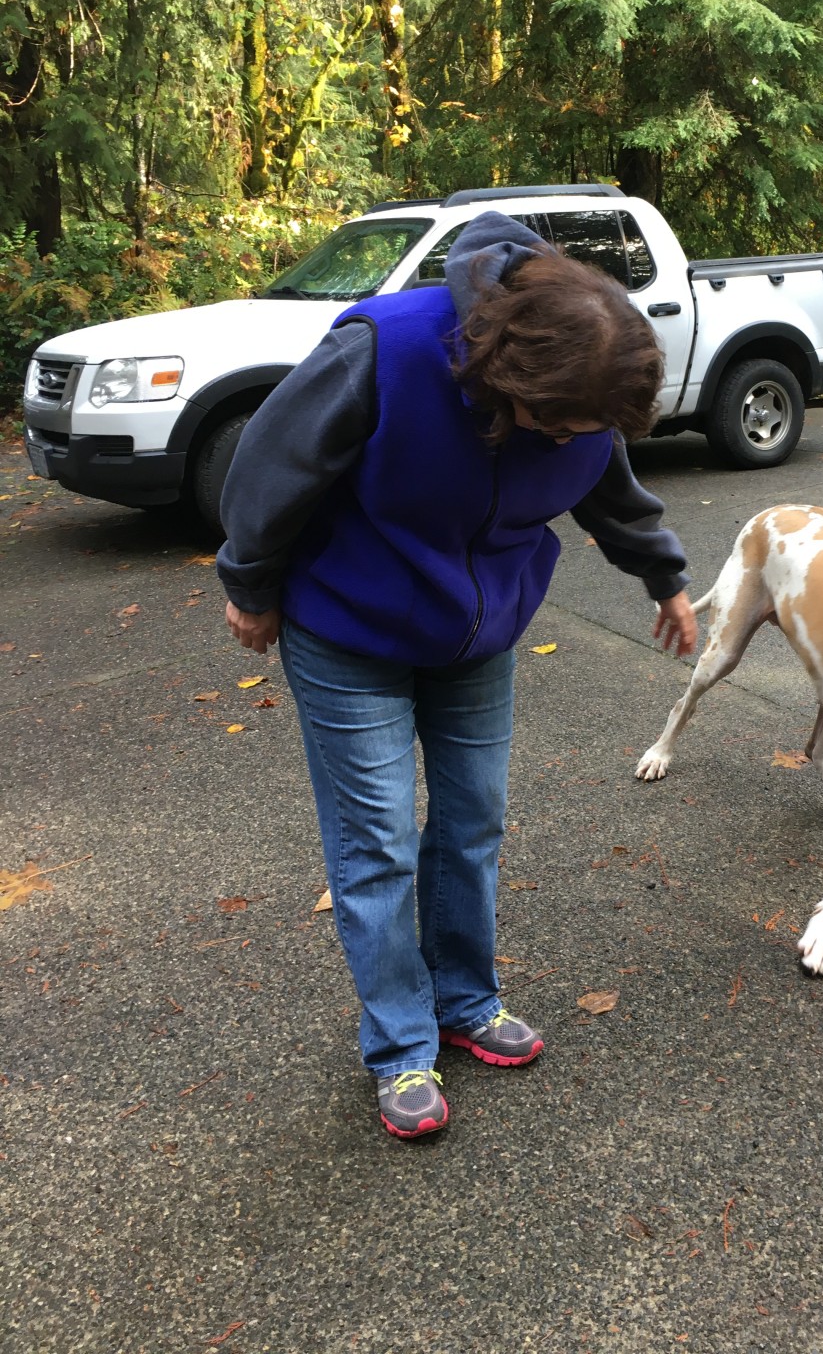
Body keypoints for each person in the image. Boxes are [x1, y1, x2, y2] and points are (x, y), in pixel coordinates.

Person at [217, 212, 697, 1140]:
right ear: (509, 376)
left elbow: (613, 491)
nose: (567, 442)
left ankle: (465, 1002)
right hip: (350, 630)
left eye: (585, 430)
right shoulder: (388, 349)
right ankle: (400, 1044)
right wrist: (251, 583)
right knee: (379, 843)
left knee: (473, 821)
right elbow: (272, 465)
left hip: (476, 636)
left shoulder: (584, 389)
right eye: (555, 426)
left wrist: (666, 579)